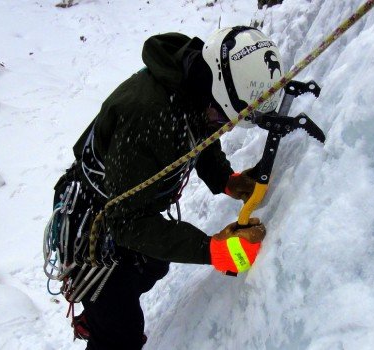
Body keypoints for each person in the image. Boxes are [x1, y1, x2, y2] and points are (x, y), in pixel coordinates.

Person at [54, 26, 282, 350]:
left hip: (121, 202)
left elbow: (199, 133)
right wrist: (213, 250)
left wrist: (225, 180)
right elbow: (127, 222)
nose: (221, 125)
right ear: (214, 91)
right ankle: (104, 317)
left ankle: (103, 312)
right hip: (92, 221)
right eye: (222, 117)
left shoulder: (196, 84)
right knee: (121, 333)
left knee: (153, 265)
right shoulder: (148, 115)